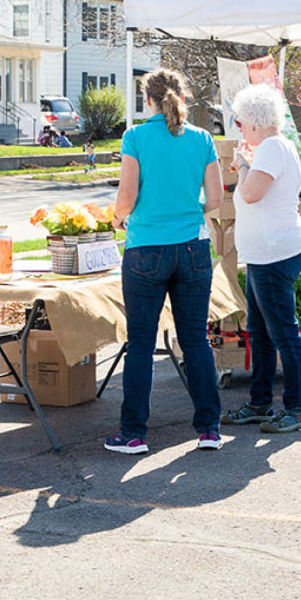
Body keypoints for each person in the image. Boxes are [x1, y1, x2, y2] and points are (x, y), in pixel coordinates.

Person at [105, 67, 224, 454]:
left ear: (148, 100)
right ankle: (209, 429)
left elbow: (126, 197)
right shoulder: (202, 138)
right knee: (195, 340)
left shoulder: (136, 136)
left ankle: (134, 433)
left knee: (140, 342)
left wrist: (119, 218)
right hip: (193, 247)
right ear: (181, 96)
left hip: (147, 248)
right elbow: (217, 199)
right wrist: (190, 210)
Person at [221, 84, 301, 434]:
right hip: (265, 253)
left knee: (282, 333)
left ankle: (296, 409)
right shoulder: (276, 147)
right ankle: (260, 403)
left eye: (239, 121)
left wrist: (243, 165)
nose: (238, 126)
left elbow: (250, 193)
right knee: (260, 332)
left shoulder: (272, 148)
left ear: (255, 121)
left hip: (274, 253)